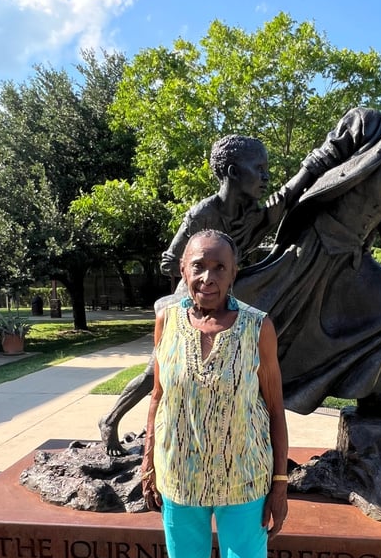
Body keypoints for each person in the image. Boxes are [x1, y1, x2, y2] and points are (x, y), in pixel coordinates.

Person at [234, 66, 381, 419]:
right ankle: (210, 378)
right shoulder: (368, 122)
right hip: (316, 243)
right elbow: (320, 161)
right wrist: (283, 197)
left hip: (353, 257)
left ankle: (375, 396)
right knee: (260, 318)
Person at [140, 229, 288, 558]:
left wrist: (281, 483)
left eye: (220, 267)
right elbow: (158, 395)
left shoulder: (256, 327)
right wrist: (148, 460)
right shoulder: (167, 320)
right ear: (182, 269)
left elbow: (274, 407)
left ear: (234, 272)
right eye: (198, 266)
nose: (208, 277)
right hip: (179, 471)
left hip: (244, 475)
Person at [100, 135, 285, 456]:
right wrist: (203, 276)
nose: (266, 177)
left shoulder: (251, 213)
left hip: (222, 308)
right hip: (188, 306)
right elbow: (168, 261)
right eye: (259, 168)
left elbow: (287, 199)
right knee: (153, 375)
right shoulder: (203, 214)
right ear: (232, 172)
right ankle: (110, 419)